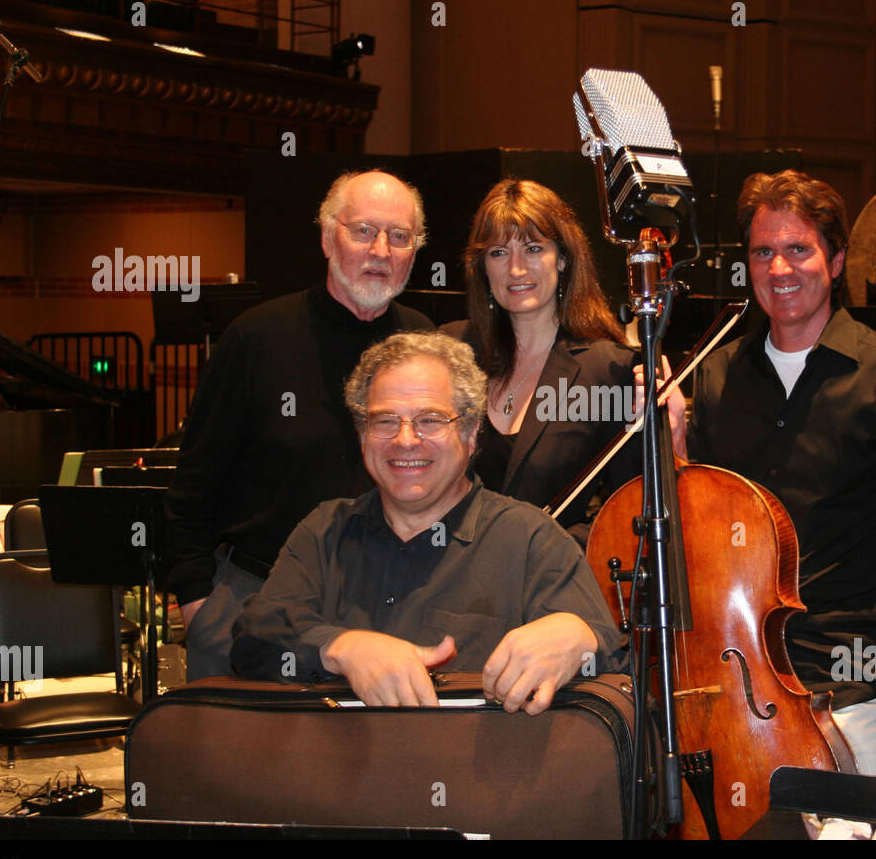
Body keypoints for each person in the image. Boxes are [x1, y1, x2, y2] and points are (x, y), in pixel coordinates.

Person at [647, 170, 876, 776]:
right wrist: (674, 448)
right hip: (735, 677)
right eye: (763, 252)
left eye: (799, 249)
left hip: (849, 687)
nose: (779, 269)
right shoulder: (715, 378)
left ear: (837, 258)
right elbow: (702, 531)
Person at [230, 333, 627, 714]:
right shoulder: (324, 530)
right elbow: (255, 639)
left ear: (471, 434)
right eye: (384, 420)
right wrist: (340, 648)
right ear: (361, 434)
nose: (405, 440)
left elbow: (613, 660)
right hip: (334, 777)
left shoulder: (530, 541)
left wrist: (579, 637)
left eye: (430, 420)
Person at [167, 169, 435, 681]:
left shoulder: (424, 343)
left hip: (388, 611)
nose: (381, 250)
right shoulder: (256, 338)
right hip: (252, 605)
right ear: (327, 236)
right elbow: (193, 484)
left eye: (399, 237)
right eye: (364, 231)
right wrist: (200, 603)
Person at [442, 179, 637, 546]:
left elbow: (627, 512)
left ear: (562, 258)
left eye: (533, 249)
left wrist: (551, 549)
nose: (516, 269)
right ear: (482, 266)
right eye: (498, 252)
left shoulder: (608, 370)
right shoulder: (450, 349)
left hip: (549, 586)